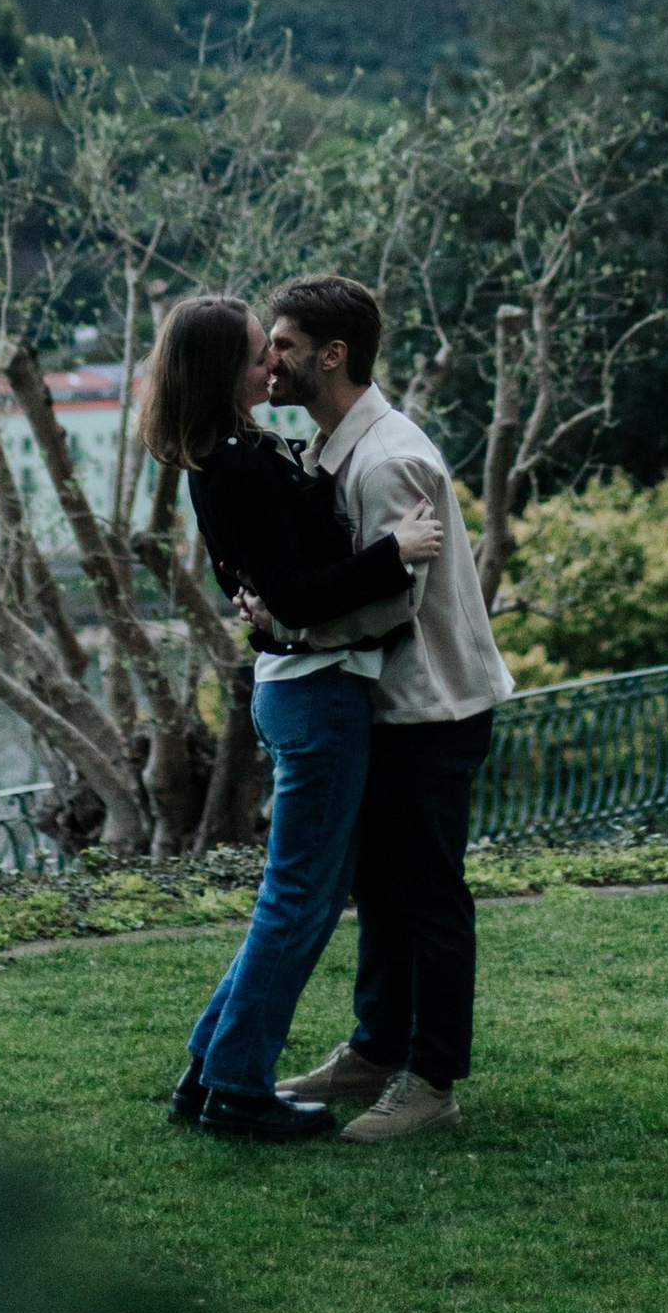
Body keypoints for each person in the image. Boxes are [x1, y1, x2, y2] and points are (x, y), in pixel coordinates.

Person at [137, 292, 444, 1145]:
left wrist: (269, 598)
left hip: (301, 683)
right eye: (255, 353)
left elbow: (269, 584)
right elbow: (298, 594)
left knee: (294, 896)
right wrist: (395, 554)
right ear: (222, 372)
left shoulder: (234, 449)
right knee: (299, 902)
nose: (272, 362)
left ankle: (210, 1070)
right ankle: (235, 1085)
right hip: (316, 692)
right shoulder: (235, 462)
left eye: (272, 350)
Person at [257, 275, 514, 1146]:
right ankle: (375, 1051)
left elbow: (387, 605)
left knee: (428, 897)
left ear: (332, 355)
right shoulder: (343, 446)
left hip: (430, 711)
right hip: (390, 708)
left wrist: (280, 616)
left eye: (283, 343)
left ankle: (432, 1080)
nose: (269, 359)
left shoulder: (390, 458)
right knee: (384, 891)